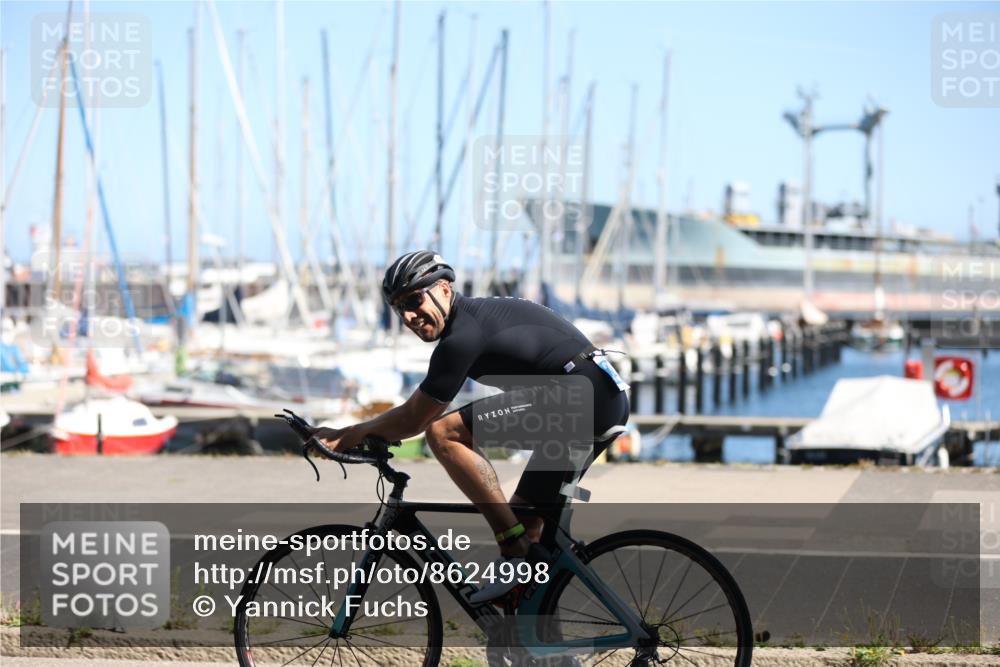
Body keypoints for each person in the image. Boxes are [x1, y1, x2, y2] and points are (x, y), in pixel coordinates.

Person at [311, 250, 630, 602]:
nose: (410, 316)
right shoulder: (474, 320)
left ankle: (513, 550)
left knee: (443, 433)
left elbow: (416, 418)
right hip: (599, 398)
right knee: (528, 526)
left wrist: (346, 436)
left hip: (580, 398)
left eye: (415, 300)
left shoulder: (463, 334)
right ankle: (536, 646)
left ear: (445, 290)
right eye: (400, 308)